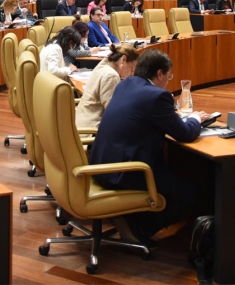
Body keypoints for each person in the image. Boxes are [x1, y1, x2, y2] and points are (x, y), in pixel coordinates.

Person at [90, 50, 212, 242]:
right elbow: (185, 134)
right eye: (168, 75)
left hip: (100, 166)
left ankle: (131, 216)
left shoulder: (125, 84)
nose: (168, 80)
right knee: (192, 192)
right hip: (125, 173)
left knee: (172, 174)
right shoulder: (158, 96)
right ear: (159, 73)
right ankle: (139, 228)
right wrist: (195, 118)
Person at [75, 43, 139, 129]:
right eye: (132, 68)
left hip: (82, 123)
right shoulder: (111, 75)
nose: (132, 74)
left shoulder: (103, 65)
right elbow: (113, 112)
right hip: (92, 130)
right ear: (123, 59)